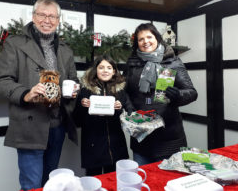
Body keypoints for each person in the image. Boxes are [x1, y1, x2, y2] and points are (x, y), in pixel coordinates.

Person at [0, 0, 79, 190]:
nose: (47, 20)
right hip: (29, 124)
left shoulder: (66, 50)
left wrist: (74, 87)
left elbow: (73, 79)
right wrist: (25, 93)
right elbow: (1, 82)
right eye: (42, 14)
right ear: (33, 16)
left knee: (51, 183)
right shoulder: (15, 44)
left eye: (52, 16)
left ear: (58, 20)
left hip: (57, 125)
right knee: (31, 185)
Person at [124, 22, 198, 165]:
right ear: (137, 43)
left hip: (168, 135)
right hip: (141, 135)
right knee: (143, 180)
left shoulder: (172, 61)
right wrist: (130, 110)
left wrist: (178, 96)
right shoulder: (132, 63)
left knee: (165, 181)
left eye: (149, 37)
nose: (146, 41)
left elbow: (192, 92)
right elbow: (124, 90)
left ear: (157, 38)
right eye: (141, 39)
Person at [73, 55, 132, 176]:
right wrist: (82, 106)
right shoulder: (85, 90)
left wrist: (121, 108)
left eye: (109, 68)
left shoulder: (120, 90)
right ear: (95, 70)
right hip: (93, 144)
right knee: (94, 181)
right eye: (101, 67)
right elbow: (77, 120)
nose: (105, 70)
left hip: (115, 144)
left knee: (114, 180)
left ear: (114, 71)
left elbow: (131, 114)